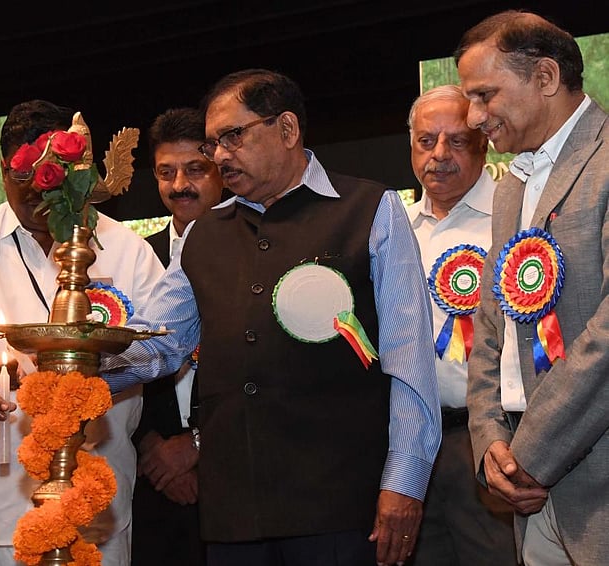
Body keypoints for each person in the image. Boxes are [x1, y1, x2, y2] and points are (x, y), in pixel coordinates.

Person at [104, 69, 441, 566]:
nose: (218, 155)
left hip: (342, 508)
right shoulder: (204, 235)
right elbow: (158, 343)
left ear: (286, 129)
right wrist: (76, 359)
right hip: (234, 514)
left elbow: (408, 361)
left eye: (232, 136)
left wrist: (404, 485)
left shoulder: (371, 210)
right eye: (214, 142)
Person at [0, 99, 165, 566]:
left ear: (74, 168)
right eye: (16, 176)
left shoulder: (129, 251)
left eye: (44, 175)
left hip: (92, 513)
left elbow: (157, 352)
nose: (30, 192)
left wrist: (78, 383)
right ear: (2, 168)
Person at [456, 10, 609, 565]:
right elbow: (490, 325)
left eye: (485, 95)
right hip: (524, 481)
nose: (474, 118)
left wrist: (529, 455)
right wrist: (490, 442)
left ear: (545, 77)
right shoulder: (510, 185)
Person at [404, 85, 516, 565]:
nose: (439, 155)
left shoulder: (515, 218)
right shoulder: (397, 228)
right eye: (426, 141)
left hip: (494, 439)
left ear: (483, 144)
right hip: (411, 446)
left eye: (457, 140)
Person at [132, 107, 224, 566]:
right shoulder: (136, 259)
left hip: (235, 472)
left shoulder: (255, 249)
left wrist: (198, 447)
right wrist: (154, 448)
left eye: (195, 169)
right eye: (166, 172)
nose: (179, 185)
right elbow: (125, 359)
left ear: (221, 167)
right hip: (153, 481)